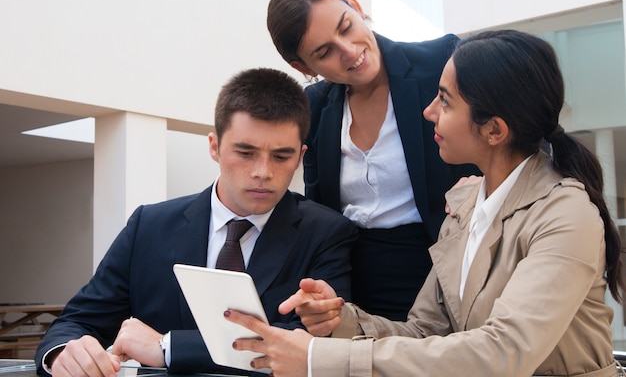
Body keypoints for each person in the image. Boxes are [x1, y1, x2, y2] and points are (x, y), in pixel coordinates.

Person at [225, 30, 625, 377]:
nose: (428, 111)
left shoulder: (566, 215)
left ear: (494, 130)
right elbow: (425, 332)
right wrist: (342, 321)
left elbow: (501, 354)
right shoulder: (465, 204)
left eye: (445, 101)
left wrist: (321, 360)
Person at [34, 68, 358, 377]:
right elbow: (77, 321)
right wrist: (64, 353)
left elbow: (312, 349)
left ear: (301, 157)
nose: (263, 171)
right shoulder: (149, 225)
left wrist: (167, 347)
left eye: (281, 156)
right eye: (245, 153)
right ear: (214, 147)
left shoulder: (327, 233)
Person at [266, 0, 480, 320]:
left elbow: (517, 145)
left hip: (452, 273)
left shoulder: (442, 62)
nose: (349, 51)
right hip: (355, 291)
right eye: (324, 52)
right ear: (304, 68)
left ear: (355, 4)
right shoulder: (315, 108)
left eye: (346, 27)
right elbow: (320, 211)